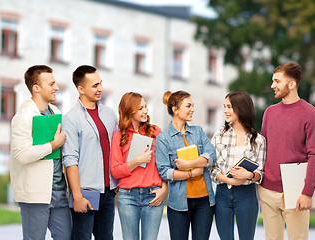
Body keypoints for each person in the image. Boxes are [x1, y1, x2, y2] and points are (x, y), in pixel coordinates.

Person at [258, 62, 315, 240]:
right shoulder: (269, 113)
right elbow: (262, 150)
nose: (273, 85)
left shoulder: (311, 114)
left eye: (277, 81)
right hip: (267, 190)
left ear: (292, 84)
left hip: (295, 192)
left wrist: (307, 192)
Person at [10, 65, 71, 240]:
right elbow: (21, 155)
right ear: (36, 88)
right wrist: (53, 145)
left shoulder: (56, 112)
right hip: (36, 194)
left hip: (59, 192)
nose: (56, 88)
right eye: (51, 84)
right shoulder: (23, 116)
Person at [62, 65, 118, 240]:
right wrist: (77, 196)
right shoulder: (71, 119)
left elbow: (116, 150)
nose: (100, 88)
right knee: (82, 237)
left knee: (106, 237)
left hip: (108, 191)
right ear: (81, 89)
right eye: (95, 85)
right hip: (85, 191)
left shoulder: (109, 114)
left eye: (100, 83)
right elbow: (70, 160)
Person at [155, 90, 216, 240]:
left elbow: (211, 156)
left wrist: (188, 164)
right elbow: (165, 172)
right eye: (188, 106)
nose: (192, 109)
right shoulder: (163, 138)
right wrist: (191, 173)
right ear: (175, 110)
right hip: (178, 203)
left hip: (204, 201)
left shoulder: (198, 131)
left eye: (193, 106)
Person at [111, 92, 167, 240]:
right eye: (141, 108)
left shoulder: (155, 132)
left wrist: (164, 188)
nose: (146, 111)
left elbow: (163, 165)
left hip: (153, 195)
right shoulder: (118, 137)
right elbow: (115, 171)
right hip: (128, 197)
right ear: (130, 110)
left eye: (146, 106)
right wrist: (137, 161)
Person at [209, 91, 266, 240]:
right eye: (224, 106)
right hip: (222, 193)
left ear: (241, 108)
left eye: (229, 107)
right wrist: (230, 180)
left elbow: (260, 172)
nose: (225, 110)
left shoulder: (259, 140)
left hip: (246, 195)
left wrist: (249, 175)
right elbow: (211, 168)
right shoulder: (219, 136)